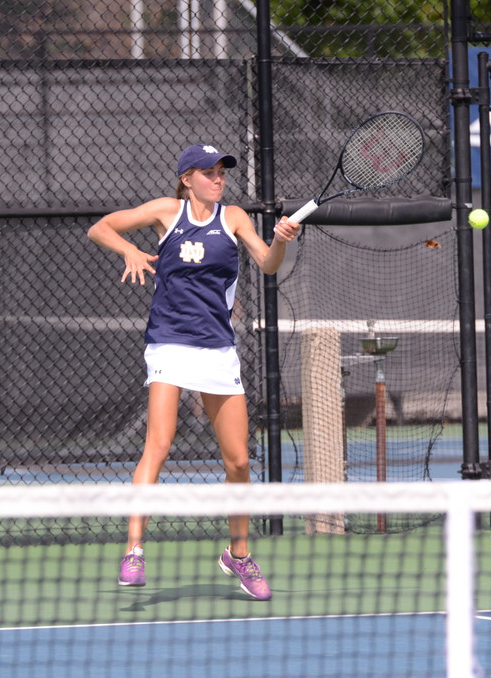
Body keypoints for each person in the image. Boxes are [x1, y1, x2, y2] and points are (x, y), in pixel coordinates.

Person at [87, 143, 300, 601]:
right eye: (208, 172)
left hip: (218, 350)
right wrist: (129, 251)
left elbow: (267, 264)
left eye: (222, 170)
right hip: (168, 343)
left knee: (239, 460)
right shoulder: (167, 211)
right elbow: (100, 228)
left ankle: (238, 555)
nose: (218, 177)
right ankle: (134, 551)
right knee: (159, 445)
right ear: (187, 178)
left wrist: (280, 239)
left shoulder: (236, 217)